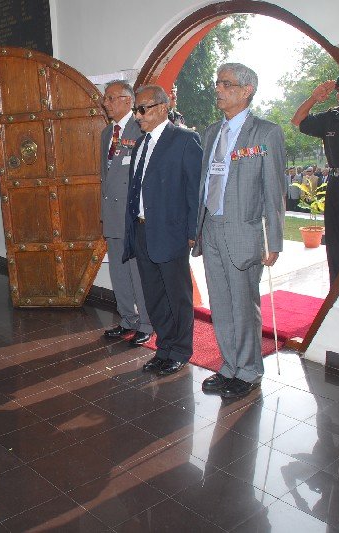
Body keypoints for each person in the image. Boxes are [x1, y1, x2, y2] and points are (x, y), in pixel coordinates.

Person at [192, 63, 287, 399]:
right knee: (220, 303)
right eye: (217, 83)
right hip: (211, 228)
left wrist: (273, 240)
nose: (218, 89)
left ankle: (248, 372)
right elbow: (205, 183)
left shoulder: (265, 133)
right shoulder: (211, 133)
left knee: (243, 305)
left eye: (226, 84)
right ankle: (229, 366)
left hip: (244, 232)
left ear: (247, 90)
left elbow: (275, 190)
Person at [123, 85, 202, 375]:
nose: (137, 116)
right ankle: (164, 347)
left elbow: (195, 190)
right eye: (136, 110)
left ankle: (180, 351)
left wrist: (193, 232)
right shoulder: (140, 144)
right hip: (142, 231)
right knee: (154, 295)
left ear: (162, 108)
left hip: (171, 232)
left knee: (177, 296)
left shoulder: (185, 139)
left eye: (142, 109)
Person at [100, 81, 152, 346]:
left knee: (138, 273)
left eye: (110, 98)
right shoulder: (106, 133)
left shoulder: (140, 128)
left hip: (133, 216)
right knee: (118, 272)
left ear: (127, 100)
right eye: (105, 98)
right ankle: (127, 319)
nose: (105, 103)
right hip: (112, 214)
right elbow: (105, 176)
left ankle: (146, 323)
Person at [291, 73, 339, 283]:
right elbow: (297, 120)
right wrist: (314, 98)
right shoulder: (332, 117)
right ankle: (336, 287)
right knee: (335, 242)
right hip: (336, 185)